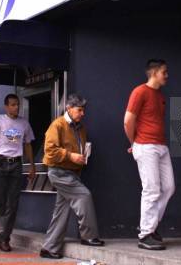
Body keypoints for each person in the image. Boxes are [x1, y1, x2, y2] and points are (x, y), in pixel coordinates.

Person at [40, 94, 104, 259]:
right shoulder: (57, 125)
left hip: (72, 173)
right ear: (69, 108)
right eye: (79, 110)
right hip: (59, 172)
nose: (83, 113)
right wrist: (71, 156)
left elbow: (78, 149)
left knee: (61, 211)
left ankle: (49, 248)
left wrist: (82, 156)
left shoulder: (80, 128)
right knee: (84, 196)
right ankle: (88, 236)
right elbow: (50, 150)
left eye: (83, 110)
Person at [124, 59, 175, 250]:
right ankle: (145, 235)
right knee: (151, 190)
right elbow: (128, 120)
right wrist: (134, 143)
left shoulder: (160, 96)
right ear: (154, 72)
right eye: (164, 72)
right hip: (146, 147)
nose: (167, 75)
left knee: (169, 187)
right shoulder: (140, 92)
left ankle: (151, 227)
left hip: (161, 147)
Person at [0, 94, 36, 252]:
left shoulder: (24, 123)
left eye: (17, 104)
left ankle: (5, 239)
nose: (16, 107)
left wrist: (32, 165)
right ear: (6, 106)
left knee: (12, 204)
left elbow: (27, 145)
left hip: (16, 165)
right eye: (12, 105)